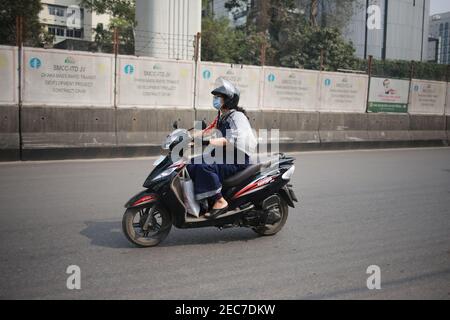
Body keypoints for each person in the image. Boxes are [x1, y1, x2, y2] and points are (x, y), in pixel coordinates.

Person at [186, 78, 257, 219]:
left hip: (236, 159)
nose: (215, 100)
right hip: (223, 156)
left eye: (218, 97)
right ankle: (204, 200)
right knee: (190, 164)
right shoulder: (222, 116)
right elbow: (208, 130)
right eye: (215, 97)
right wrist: (187, 137)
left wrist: (207, 141)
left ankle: (220, 200)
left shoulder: (237, 117)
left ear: (229, 100)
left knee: (203, 166)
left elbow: (230, 140)